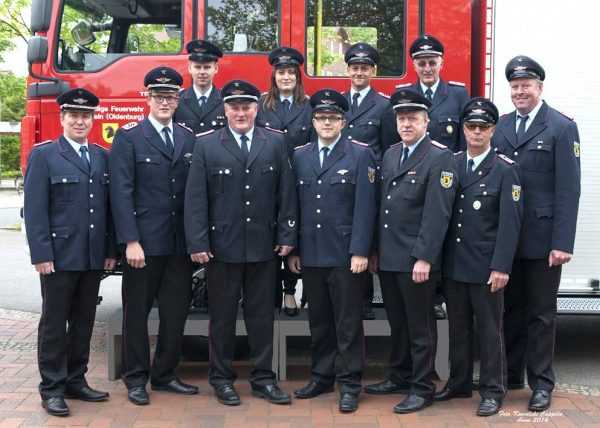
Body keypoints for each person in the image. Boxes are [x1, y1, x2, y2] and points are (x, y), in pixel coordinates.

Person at [184, 79, 297, 406]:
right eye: (234, 107)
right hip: (222, 247)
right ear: (225, 109)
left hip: (263, 246)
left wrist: (287, 235)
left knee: (262, 316)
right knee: (221, 317)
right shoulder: (206, 144)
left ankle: (263, 378)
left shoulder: (274, 142)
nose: (241, 112)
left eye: (247, 106)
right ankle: (221, 379)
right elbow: (195, 199)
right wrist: (198, 241)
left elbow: (285, 193)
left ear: (256, 108)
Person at [491, 56, 581, 412]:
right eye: (514, 86)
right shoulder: (499, 126)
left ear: (539, 88)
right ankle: (512, 374)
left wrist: (562, 242)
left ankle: (541, 383)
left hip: (543, 241)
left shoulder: (560, 127)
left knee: (541, 314)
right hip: (506, 241)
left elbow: (568, 190)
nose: (519, 92)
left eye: (526, 85)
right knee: (509, 310)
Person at [24, 88, 116, 417]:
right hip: (58, 256)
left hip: (91, 256)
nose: (80, 121)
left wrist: (108, 250)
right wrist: (41, 254)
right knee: (53, 323)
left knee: (83, 321)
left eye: (86, 116)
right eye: (74, 115)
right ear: (62, 118)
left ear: (93, 119)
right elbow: (35, 210)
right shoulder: (45, 155)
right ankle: (51, 387)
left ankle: (76, 380)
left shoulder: (102, 156)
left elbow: (107, 210)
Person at [109, 67, 198, 405]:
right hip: (142, 244)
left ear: (178, 100)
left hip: (179, 244)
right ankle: (135, 378)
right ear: (146, 97)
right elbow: (121, 193)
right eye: (158, 96)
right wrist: (130, 241)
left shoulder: (188, 137)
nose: (165, 101)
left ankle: (164, 374)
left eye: (171, 96)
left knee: (176, 312)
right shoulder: (129, 136)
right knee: (137, 313)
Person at [365, 88, 457, 413]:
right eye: (401, 118)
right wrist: (375, 249)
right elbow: (382, 208)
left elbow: (438, 213)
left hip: (416, 260)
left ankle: (422, 386)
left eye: (412, 118)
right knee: (398, 323)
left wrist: (425, 257)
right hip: (389, 258)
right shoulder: (391, 154)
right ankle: (400, 374)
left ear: (426, 120)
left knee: (421, 327)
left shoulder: (439, 156)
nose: (406, 124)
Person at [288, 89, 377, 413]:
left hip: (345, 255)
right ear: (313, 121)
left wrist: (361, 251)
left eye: (333, 118)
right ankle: (321, 376)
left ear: (343, 121)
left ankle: (351, 384)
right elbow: (295, 206)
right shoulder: (300, 155)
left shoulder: (360, 154)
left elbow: (366, 207)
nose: (327, 123)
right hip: (311, 254)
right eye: (321, 118)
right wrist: (295, 249)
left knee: (348, 323)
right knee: (320, 321)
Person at [435, 97, 523, 417]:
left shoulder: (504, 170)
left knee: (489, 331)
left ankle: (491, 390)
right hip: (455, 264)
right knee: (458, 328)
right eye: (471, 126)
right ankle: (459, 382)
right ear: (464, 129)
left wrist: (501, 266)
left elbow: (510, 225)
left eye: (482, 128)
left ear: (492, 131)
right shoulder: (451, 163)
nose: (475, 132)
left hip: (486, 267)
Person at [396, 34, 470, 320]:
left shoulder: (458, 94)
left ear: (441, 63)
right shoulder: (404, 93)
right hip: (414, 179)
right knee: (419, 233)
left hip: (446, 181)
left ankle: (439, 297)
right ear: (414, 65)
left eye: (432, 62)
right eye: (422, 63)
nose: (427, 68)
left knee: (445, 235)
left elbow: (463, 142)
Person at [257, 46, 313, 316]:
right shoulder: (261, 105)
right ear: (274, 76)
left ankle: (290, 292)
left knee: (295, 238)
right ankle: (268, 295)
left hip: (300, 181)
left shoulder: (310, 106)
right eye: (281, 72)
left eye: (291, 72)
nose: (286, 77)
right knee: (269, 238)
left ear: (298, 77)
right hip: (267, 182)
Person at [341, 42, 395, 319]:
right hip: (338, 186)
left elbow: (388, 150)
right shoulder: (337, 103)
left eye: (364, 68)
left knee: (367, 241)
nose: (359, 72)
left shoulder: (384, 105)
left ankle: (365, 303)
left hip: (370, 185)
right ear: (347, 70)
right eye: (354, 67)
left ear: (373, 71)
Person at [173, 39, 226, 134]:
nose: (202, 72)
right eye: (197, 67)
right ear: (190, 68)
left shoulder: (226, 101)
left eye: (207, 67)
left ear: (216, 69)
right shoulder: (177, 101)